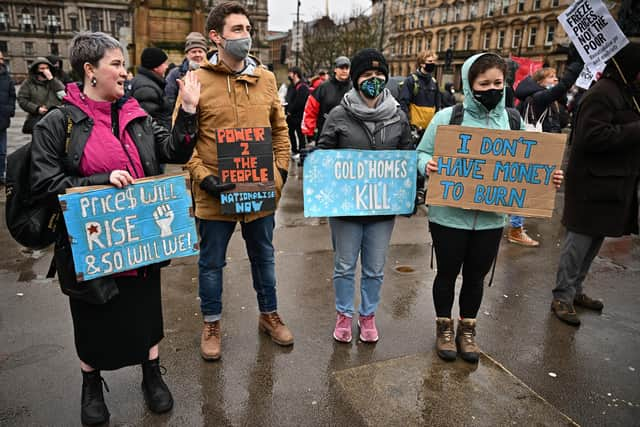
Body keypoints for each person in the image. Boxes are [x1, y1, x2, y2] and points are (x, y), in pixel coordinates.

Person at [29, 31, 200, 425]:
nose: (125, 73)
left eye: (124, 64)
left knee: (145, 317)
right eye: (117, 64)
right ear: (90, 70)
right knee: (94, 323)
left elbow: (174, 150)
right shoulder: (59, 122)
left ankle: (152, 377)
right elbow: (43, 185)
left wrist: (187, 110)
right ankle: (92, 386)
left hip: (139, 245)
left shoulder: (135, 114)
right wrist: (100, 183)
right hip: (93, 250)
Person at [416, 53, 564, 363]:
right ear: (471, 85)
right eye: (484, 84)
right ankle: (444, 327)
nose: (492, 88)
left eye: (498, 82)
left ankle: (467, 330)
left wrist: (549, 174)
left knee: (475, 278)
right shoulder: (448, 118)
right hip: (448, 218)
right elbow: (420, 152)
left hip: (489, 220)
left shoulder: (512, 121)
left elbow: (532, 161)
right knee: (446, 274)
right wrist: (425, 164)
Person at [185, 1, 293, 362]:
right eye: (237, 30)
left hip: (258, 191)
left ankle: (269, 314)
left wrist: (279, 173)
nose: (245, 36)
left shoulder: (266, 79)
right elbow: (184, 141)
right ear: (216, 37)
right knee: (211, 263)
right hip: (214, 195)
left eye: (247, 29)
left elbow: (280, 129)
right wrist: (204, 178)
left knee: (263, 257)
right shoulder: (196, 81)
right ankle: (212, 323)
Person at [317, 48, 411, 343]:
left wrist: (410, 190)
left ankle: (368, 317)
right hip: (346, 209)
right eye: (367, 75)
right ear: (356, 80)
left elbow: (406, 155)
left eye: (379, 74)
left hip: (382, 209)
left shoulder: (398, 116)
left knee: (374, 268)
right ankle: (344, 314)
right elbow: (324, 153)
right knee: (344, 266)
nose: (374, 79)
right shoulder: (338, 114)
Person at [551, 42, 640, 326]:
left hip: (612, 183)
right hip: (592, 183)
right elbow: (592, 137)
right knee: (578, 241)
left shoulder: (626, 93)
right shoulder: (602, 95)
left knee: (595, 239)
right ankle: (562, 296)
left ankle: (576, 289)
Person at [507, 51, 583, 247]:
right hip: (533, 149)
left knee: (524, 187)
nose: (556, 79)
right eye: (552, 77)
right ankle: (515, 229)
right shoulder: (539, 98)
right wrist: (578, 64)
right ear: (541, 82)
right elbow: (563, 86)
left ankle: (514, 225)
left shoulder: (547, 101)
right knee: (522, 188)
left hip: (541, 149)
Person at [301, 56, 352, 142]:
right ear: (335, 69)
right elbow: (311, 109)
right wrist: (310, 130)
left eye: (347, 68)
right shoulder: (323, 87)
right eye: (341, 67)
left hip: (348, 134)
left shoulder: (354, 88)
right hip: (325, 132)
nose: (344, 71)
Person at [17, 57, 65, 134]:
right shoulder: (28, 83)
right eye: (42, 68)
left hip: (55, 120)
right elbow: (22, 100)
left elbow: (64, 96)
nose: (45, 70)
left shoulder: (55, 81)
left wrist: (52, 80)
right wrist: (37, 109)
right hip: (38, 120)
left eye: (47, 68)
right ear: (36, 70)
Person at [399, 50, 442, 132]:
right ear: (422, 63)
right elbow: (403, 103)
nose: (433, 64)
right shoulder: (411, 80)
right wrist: (409, 123)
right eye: (430, 61)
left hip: (429, 128)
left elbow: (438, 105)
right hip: (414, 128)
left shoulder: (434, 82)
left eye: (434, 61)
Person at [165, 32, 209, 113]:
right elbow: (169, 99)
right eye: (193, 52)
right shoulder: (175, 74)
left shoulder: (212, 73)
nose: (197, 54)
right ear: (187, 54)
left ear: (205, 54)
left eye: (200, 51)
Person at [130, 47, 172, 130]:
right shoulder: (147, 88)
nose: (167, 67)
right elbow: (148, 123)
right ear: (155, 67)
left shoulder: (146, 82)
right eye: (164, 63)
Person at [285, 66, 309, 155]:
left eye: (290, 73)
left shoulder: (302, 87)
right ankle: (294, 150)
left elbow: (300, 102)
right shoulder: (291, 86)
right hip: (291, 115)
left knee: (300, 134)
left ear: (295, 74)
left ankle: (302, 152)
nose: (289, 75)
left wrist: (290, 110)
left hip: (299, 115)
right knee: (290, 132)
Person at [0, 51, 16, 185]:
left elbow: (12, 95)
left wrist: (9, 110)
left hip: (2, 119)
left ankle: (0, 175)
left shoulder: (6, 77)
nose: (1, 60)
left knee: (2, 151)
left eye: (1, 58)